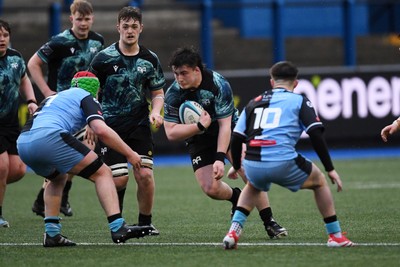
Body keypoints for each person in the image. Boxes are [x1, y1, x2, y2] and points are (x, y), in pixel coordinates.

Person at [222, 61, 354, 249]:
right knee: (320, 182)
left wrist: (236, 166)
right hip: (282, 160)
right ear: (296, 83)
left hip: (252, 162)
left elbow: (236, 137)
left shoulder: (254, 102)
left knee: (253, 185)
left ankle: (233, 232)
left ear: (271, 82)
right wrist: (330, 168)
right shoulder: (299, 100)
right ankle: (335, 235)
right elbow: (316, 133)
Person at [163, 47, 287, 239]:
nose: (179, 78)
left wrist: (220, 158)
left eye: (184, 73)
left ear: (197, 70)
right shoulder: (173, 93)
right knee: (210, 188)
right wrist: (198, 127)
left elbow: (225, 126)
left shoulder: (218, 84)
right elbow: (170, 133)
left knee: (248, 171)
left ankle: (270, 222)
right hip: (198, 136)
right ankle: (236, 197)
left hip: (230, 129)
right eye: (176, 73)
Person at [17, 71, 153, 247]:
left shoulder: (56, 97)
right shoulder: (87, 96)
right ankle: (117, 227)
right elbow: (101, 130)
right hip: (49, 137)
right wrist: (130, 153)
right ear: (95, 90)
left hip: (23, 143)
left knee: (57, 178)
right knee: (103, 173)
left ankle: (52, 234)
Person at [88, 6, 165, 235]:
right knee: (119, 179)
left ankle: (145, 222)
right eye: (125, 26)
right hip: (109, 126)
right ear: (118, 27)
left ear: (141, 28)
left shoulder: (150, 59)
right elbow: (89, 92)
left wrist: (156, 111)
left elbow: (157, 92)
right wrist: (91, 121)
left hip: (139, 124)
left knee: (145, 175)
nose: (129, 31)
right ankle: (118, 224)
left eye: (134, 27)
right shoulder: (103, 58)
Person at [27, 0, 104, 218]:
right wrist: (46, 91)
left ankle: (51, 200)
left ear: (92, 19)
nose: (83, 23)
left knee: (81, 148)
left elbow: (97, 74)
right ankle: (52, 199)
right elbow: (33, 63)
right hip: (60, 107)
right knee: (77, 151)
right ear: (71, 18)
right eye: (79, 18)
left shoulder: (98, 41)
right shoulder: (60, 41)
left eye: (87, 19)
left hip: (83, 107)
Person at [0, 19, 38, 228]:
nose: (1, 39)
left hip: (10, 123)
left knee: (18, 169)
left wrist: (31, 101)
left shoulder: (15, 58)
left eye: (4, 35)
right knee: (2, 166)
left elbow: (23, 78)